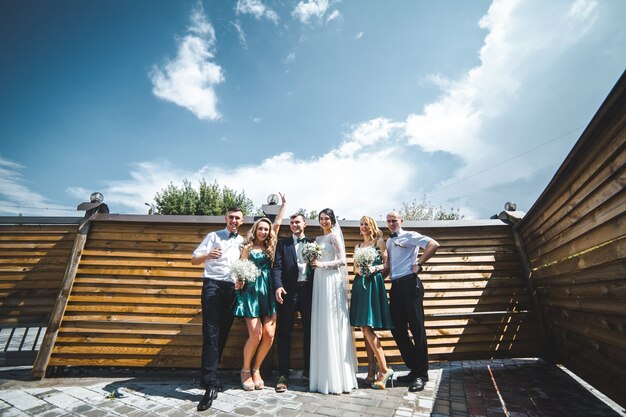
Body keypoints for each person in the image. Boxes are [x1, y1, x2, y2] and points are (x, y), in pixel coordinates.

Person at [191, 207, 245, 411]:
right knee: (211, 333)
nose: (233, 220)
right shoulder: (213, 236)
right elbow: (193, 259)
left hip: (232, 289)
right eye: (231, 217)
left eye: (237, 218)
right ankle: (211, 384)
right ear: (226, 218)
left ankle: (207, 378)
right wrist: (207, 255)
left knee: (222, 334)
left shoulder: (242, 242)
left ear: (242, 221)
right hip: (213, 286)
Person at [234, 193, 286, 392]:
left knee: (269, 335)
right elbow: (240, 270)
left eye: (266, 229)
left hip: (268, 292)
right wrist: (238, 282)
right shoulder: (247, 248)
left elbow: (278, 223)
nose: (264, 232)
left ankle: (257, 369)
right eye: (260, 229)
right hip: (251, 294)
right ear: (255, 231)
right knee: (255, 335)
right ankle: (246, 370)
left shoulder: (270, 248)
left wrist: (283, 205)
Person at [385, 210, 439, 392]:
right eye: (389, 221)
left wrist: (420, 264)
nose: (392, 223)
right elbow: (388, 266)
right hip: (396, 286)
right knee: (397, 329)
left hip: (410, 284)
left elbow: (433, 244)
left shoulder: (410, 235)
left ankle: (421, 376)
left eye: (394, 220)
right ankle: (414, 369)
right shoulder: (389, 241)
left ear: (401, 221)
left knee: (417, 329)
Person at [309, 208, 358, 394]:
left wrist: (321, 264)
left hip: (331, 280)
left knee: (332, 320)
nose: (323, 221)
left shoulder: (334, 237)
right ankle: (321, 376)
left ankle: (338, 378)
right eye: (321, 218)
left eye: (327, 218)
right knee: (322, 321)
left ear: (332, 220)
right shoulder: (318, 240)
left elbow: (342, 261)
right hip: (319, 280)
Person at [349, 215, 394, 389]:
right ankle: (370, 370)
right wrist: (360, 269)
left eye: (366, 224)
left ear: (372, 225)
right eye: (361, 224)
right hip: (360, 284)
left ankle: (384, 369)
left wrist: (373, 268)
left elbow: (386, 264)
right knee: (363, 327)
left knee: (367, 327)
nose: (363, 226)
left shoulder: (379, 242)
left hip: (373, 283)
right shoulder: (358, 246)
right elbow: (354, 268)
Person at [272, 213, 314, 393]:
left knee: (310, 332)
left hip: (310, 292)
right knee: (284, 332)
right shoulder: (283, 244)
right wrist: (278, 286)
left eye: (298, 222)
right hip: (288, 292)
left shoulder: (314, 243)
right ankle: (283, 374)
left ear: (305, 223)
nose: (294, 225)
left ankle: (310, 372)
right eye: (292, 222)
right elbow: (277, 268)